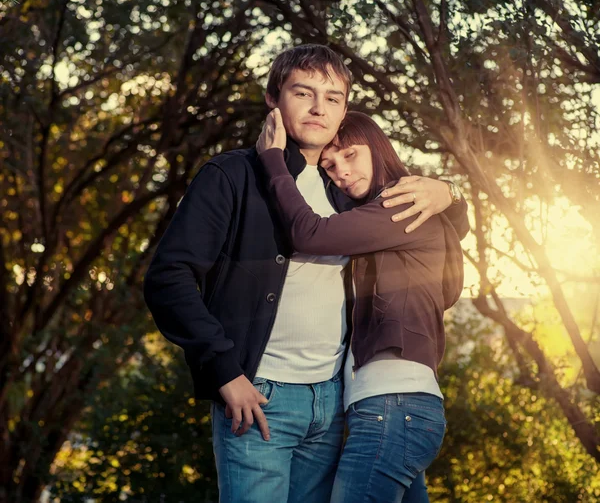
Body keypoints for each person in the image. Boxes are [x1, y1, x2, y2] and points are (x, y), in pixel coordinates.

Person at [143, 44, 468, 503]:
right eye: (304, 92)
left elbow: (432, 252)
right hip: (258, 397)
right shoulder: (232, 176)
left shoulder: (351, 193)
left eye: (333, 98)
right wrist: (224, 371)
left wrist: (451, 194)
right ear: (275, 99)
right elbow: (168, 277)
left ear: (344, 111)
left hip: (336, 403)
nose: (319, 108)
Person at [256, 109, 465, 502]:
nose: (342, 172)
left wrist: (272, 159)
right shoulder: (373, 215)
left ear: (378, 147)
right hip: (394, 409)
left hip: (393, 408)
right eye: (331, 165)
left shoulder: (399, 204)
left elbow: (309, 232)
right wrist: (452, 194)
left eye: (351, 155)